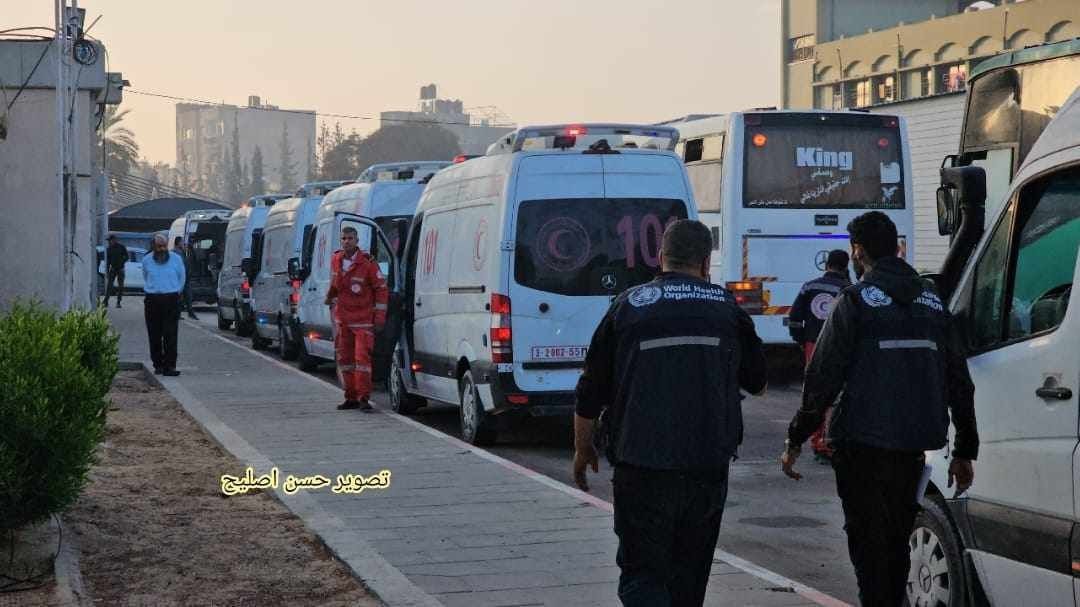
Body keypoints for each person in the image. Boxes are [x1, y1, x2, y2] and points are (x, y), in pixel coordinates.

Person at [781, 211, 978, 607]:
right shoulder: (932, 301)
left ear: (858, 252)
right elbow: (959, 377)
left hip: (862, 445)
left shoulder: (854, 301)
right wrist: (964, 450)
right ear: (897, 248)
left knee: (868, 547)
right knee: (897, 541)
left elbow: (822, 377)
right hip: (913, 444)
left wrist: (796, 436)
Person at [573, 219, 768, 607]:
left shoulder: (628, 305)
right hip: (706, 465)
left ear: (660, 257)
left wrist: (583, 449)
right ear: (706, 263)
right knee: (690, 575)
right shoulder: (726, 309)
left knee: (643, 572)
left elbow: (590, 391)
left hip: (641, 464)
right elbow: (759, 383)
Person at [787, 249, 851, 461]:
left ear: (826, 264)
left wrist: (801, 339)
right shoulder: (848, 289)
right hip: (841, 348)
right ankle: (831, 440)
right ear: (846, 266)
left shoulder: (810, 286)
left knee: (816, 393)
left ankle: (818, 442)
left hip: (813, 345)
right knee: (838, 394)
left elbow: (794, 318)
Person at [325, 226, 388, 411]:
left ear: (357, 240)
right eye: (344, 238)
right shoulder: (336, 260)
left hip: (363, 321)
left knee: (362, 361)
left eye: (350, 238)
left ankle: (363, 398)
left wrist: (379, 318)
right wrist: (329, 298)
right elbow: (335, 284)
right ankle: (350, 397)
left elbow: (381, 290)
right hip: (343, 320)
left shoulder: (367, 263)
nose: (346, 242)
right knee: (345, 361)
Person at [142, 233, 186, 377]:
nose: (161, 249)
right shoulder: (147, 260)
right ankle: (158, 365)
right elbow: (145, 277)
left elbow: (182, 277)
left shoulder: (176, 259)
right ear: (153, 246)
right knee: (154, 334)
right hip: (152, 300)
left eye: (164, 246)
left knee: (170, 334)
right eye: (158, 246)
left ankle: (170, 366)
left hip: (171, 299)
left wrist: (176, 292)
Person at [174, 236, 198, 321]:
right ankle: (178, 314)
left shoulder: (182, 251)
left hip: (186, 278)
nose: (183, 243)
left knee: (188, 296)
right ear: (178, 243)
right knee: (179, 298)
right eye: (182, 242)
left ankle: (190, 313)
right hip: (180, 278)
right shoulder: (176, 252)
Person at [103, 234, 128, 308]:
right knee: (109, 286)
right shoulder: (109, 249)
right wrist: (107, 271)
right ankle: (106, 301)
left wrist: (122, 262)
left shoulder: (121, 247)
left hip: (120, 269)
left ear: (114, 240)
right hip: (113, 269)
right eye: (108, 241)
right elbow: (108, 261)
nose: (109, 242)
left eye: (110, 240)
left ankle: (118, 302)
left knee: (120, 287)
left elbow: (127, 257)